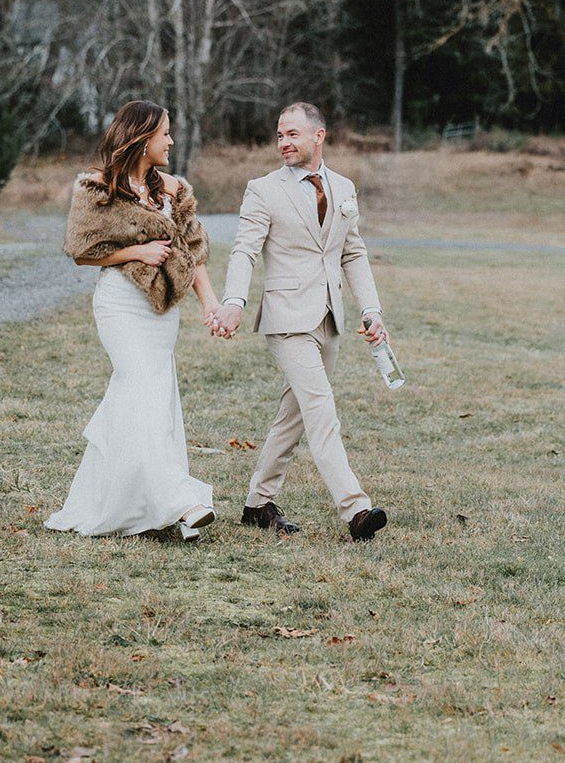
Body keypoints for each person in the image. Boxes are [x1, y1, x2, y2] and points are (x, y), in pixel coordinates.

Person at [207, 102, 390, 542]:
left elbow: (353, 253)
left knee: (294, 415)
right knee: (321, 410)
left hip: (330, 318)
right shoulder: (263, 190)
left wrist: (372, 310)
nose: (284, 143)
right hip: (286, 318)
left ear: (318, 136)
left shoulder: (344, 187)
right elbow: (244, 250)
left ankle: (257, 503)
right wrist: (233, 300)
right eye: (279, 135)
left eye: (292, 134)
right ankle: (355, 509)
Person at [45, 100, 219, 541]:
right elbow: (82, 251)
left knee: (149, 402)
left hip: (161, 313)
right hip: (120, 306)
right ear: (141, 139)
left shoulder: (173, 190)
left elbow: (195, 252)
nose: (171, 141)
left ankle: (115, 505)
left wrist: (210, 304)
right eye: (165, 134)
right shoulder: (98, 189)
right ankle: (183, 503)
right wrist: (136, 253)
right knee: (141, 387)